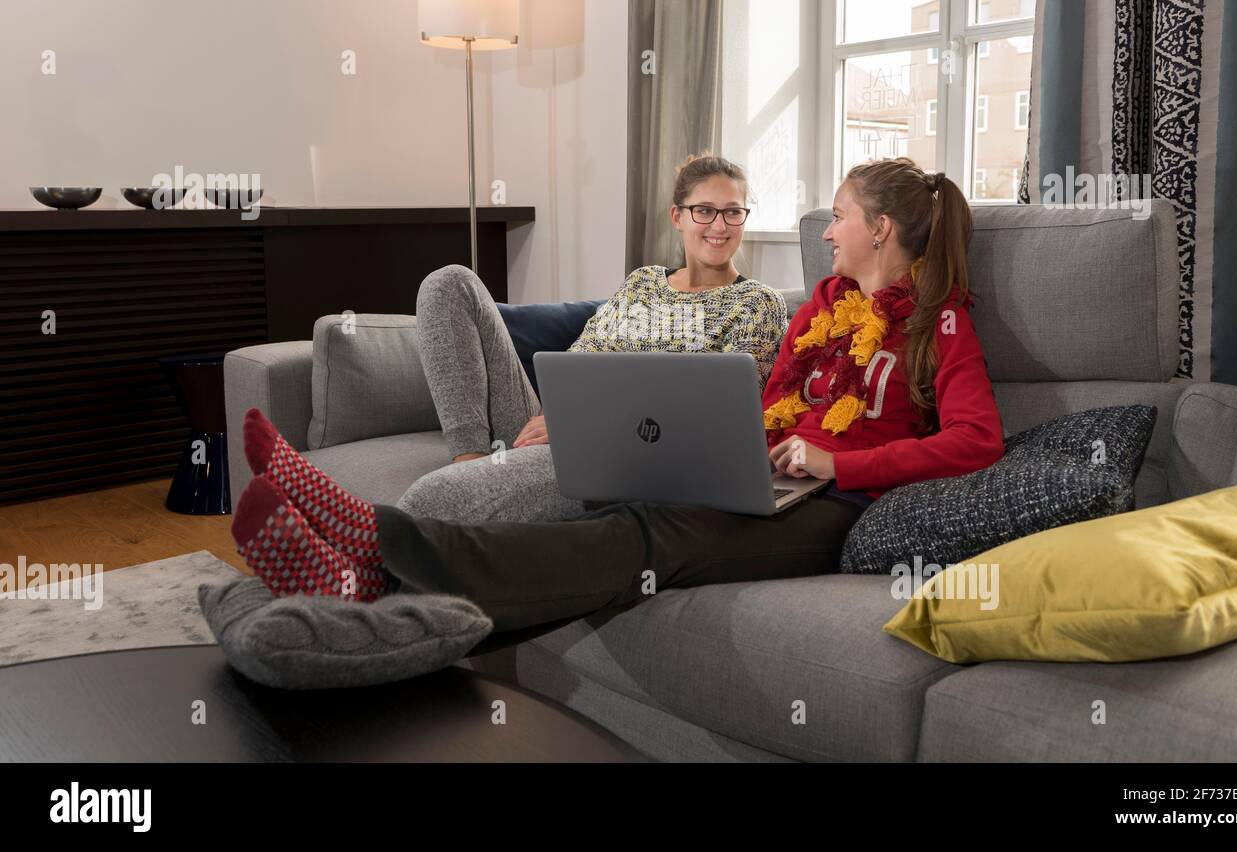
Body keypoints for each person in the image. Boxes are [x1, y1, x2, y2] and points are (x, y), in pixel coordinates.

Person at [230, 157, 1005, 638]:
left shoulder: (939, 324)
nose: (827, 232)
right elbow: (761, 399)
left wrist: (840, 465)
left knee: (645, 538)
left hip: (832, 506)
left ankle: (377, 545)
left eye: (838, 217)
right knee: (640, 522)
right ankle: (373, 569)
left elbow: (978, 443)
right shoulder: (819, 308)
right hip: (761, 472)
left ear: (881, 228)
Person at [392, 152, 788, 525]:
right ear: (677, 216)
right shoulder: (643, 282)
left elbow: (719, 420)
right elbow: (580, 360)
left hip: (627, 461)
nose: (719, 226)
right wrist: (559, 417)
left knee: (434, 501)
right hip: (565, 429)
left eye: (733, 212)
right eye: (704, 211)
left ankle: (428, 513)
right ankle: (470, 459)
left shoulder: (756, 304)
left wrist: (582, 428)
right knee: (449, 282)